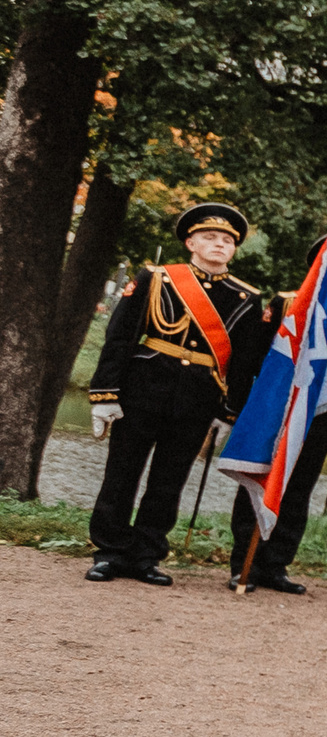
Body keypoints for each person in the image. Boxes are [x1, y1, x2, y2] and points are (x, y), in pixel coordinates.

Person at [85, 201, 271, 584]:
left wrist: (228, 410)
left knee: (168, 481)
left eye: (226, 240)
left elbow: (243, 362)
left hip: (198, 399)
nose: (219, 244)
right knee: (122, 474)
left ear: (234, 248)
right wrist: (105, 394)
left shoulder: (247, 299)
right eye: (209, 237)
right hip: (142, 389)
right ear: (191, 242)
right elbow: (120, 337)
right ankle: (109, 551)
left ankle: (146, 555)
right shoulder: (156, 278)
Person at [228, 234, 327, 593]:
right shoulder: (286, 303)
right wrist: (240, 407)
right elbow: (256, 359)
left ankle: (276, 564)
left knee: (298, 490)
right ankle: (243, 563)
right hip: (276, 409)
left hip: (322, 415)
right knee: (263, 478)